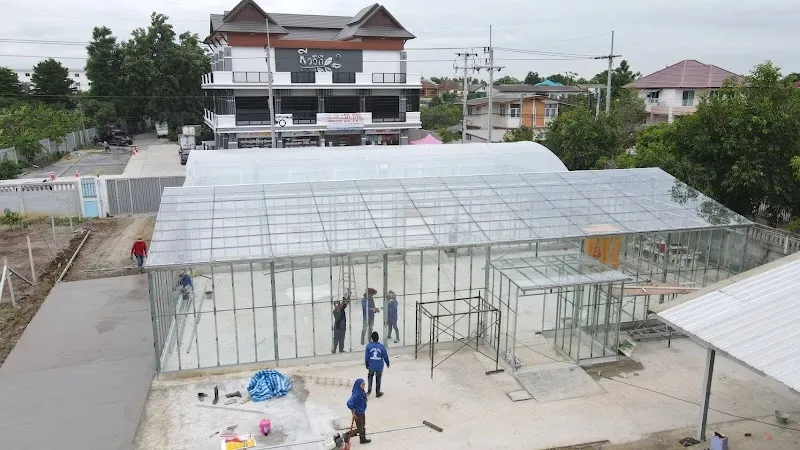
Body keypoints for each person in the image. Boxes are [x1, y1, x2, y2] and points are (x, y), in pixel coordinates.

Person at [345, 378, 370, 444]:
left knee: (363, 425)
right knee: (360, 428)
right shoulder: (356, 394)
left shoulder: (361, 391)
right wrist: (353, 409)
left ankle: (363, 439)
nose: (363, 386)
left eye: (364, 384)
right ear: (358, 385)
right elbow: (349, 403)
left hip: (362, 411)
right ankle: (347, 435)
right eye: (362, 385)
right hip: (357, 413)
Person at [365, 331, 389, 397]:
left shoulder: (368, 346)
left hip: (371, 365)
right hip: (379, 365)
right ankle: (377, 392)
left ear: (371, 338)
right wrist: (387, 363)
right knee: (378, 378)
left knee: (370, 377)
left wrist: (367, 364)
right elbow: (385, 355)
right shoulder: (381, 346)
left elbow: (367, 357)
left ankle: (369, 391)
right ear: (378, 338)